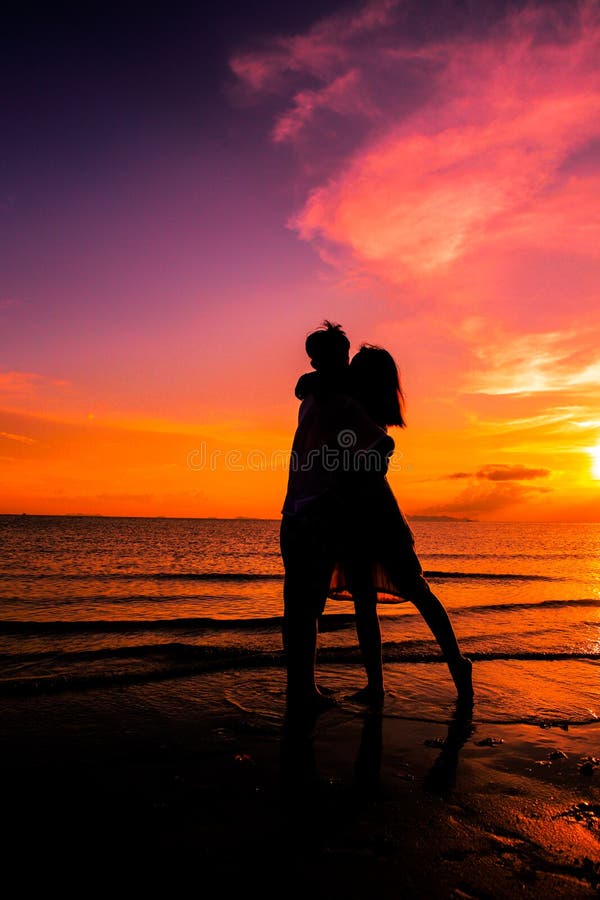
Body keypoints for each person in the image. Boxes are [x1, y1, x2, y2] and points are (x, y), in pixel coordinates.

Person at [328, 345, 473, 704]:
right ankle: (375, 685)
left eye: (358, 368)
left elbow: (376, 460)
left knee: (415, 589)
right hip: (354, 516)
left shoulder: (366, 416)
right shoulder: (353, 407)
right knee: (365, 600)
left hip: (377, 516)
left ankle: (457, 662)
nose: (351, 373)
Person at [280, 323, 393, 713]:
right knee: (306, 608)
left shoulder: (311, 394)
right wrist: (361, 477)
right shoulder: (335, 398)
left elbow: (378, 445)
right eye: (339, 356)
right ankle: (304, 690)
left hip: (296, 510)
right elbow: (384, 442)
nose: (343, 363)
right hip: (316, 512)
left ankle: (301, 688)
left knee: (298, 607)